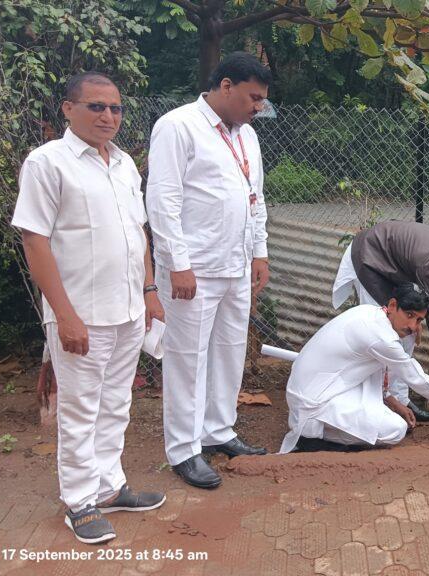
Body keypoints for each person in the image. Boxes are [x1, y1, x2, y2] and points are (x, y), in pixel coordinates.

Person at [13, 72, 165, 544]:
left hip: (126, 310)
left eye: (116, 108)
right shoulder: (48, 163)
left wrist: (149, 290)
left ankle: (109, 486)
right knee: (80, 409)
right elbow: (34, 241)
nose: (108, 116)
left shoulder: (122, 165)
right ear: (68, 109)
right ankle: (79, 501)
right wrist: (65, 315)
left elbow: (138, 233)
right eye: (97, 106)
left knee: (116, 404)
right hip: (80, 314)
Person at [146, 52, 272, 490]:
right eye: (253, 97)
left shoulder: (247, 136)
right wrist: (178, 264)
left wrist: (259, 252)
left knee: (229, 351)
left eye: (261, 100)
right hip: (193, 271)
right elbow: (163, 201)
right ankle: (184, 449)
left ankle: (218, 431)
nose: (258, 107)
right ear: (225, 86)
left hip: (235, 266)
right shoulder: (178, 126)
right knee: (187, 359)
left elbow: (255, 198)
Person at [281, 283, 429, 453]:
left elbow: (373, 370)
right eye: (410, 315)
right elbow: (416, 377)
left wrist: (394, 402)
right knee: (395, 430)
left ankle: (320, 430)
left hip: (320, 387)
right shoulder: (381, 337)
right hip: (313, 401)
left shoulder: (371, 312)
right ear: (393, 305)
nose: (413, 326)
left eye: (419, 320)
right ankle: (312, 439)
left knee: (382, 404)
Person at [332, 221, 429, 421]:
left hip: (394, 266)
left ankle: (400, 399)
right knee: (385, 332)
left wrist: (413, 322)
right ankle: (377, 400)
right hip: (371, 258)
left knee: (406, 333)